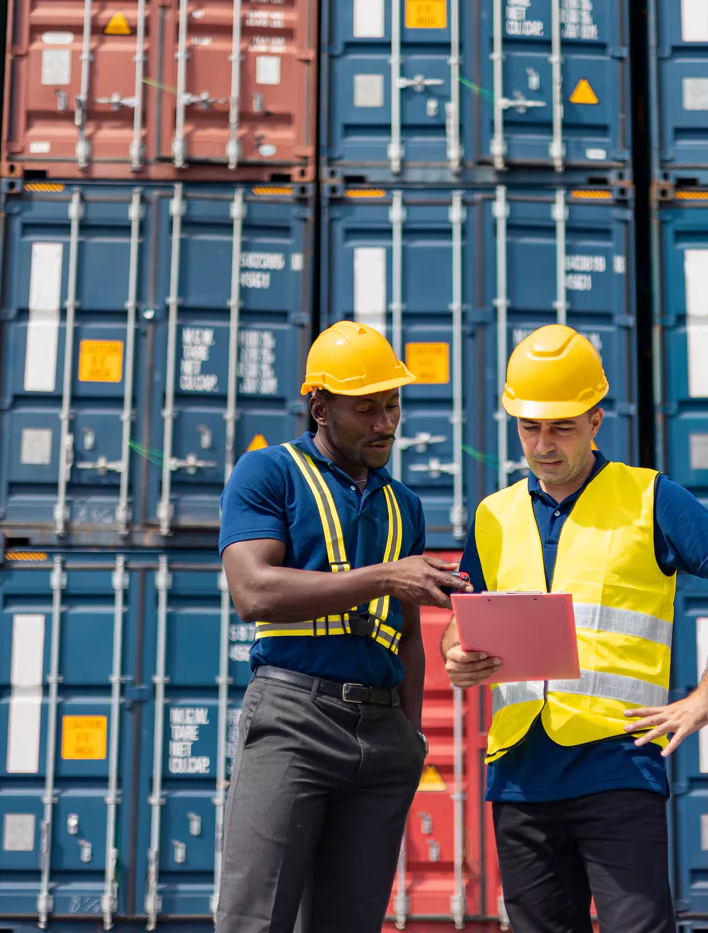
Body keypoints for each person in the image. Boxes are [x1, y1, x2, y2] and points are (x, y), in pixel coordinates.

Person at [440, 324, 708, 933]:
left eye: (562, 427)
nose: (543, 444)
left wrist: (705, 700)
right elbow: (458, 625)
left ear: (596, 421)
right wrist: (457, 654)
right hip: (519, 775)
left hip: (617, 766)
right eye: (529, 427)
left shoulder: (649, 496)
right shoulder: (494, 515)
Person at [215, 320, 472, 933]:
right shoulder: (267, 473)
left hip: (384, 735)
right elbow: (253, 592)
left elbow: (406, 637)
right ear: (320, 408)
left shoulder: (405, 505)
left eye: (393, 406)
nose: (386, 424)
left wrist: (411, 736)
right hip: (292, 719)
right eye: (367, 410)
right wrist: (384, 576)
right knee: (254, 921)